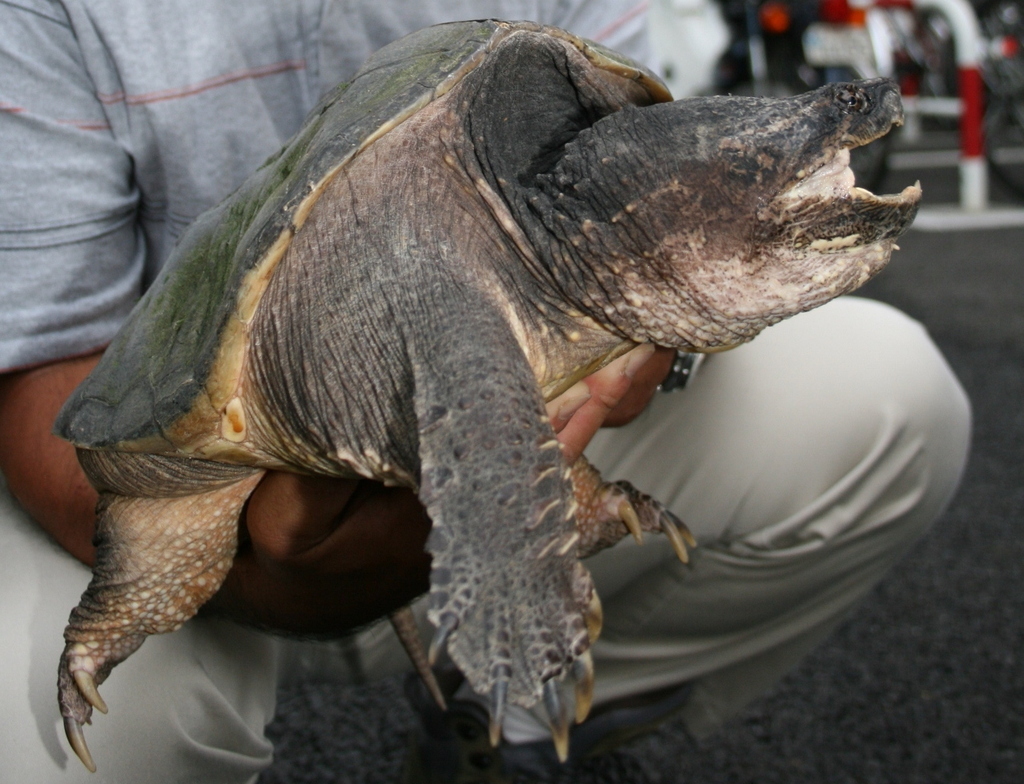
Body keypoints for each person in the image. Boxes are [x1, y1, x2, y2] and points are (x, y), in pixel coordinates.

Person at [0, 1, 971, 782]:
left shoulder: (581, 141)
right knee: (43, 729)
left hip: (529, 402)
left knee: (890, 398)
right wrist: (279, 572)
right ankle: (513, 628)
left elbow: (646, 195)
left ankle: (503, 721)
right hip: (223, 482)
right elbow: (46, 387)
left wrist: (644, 357)